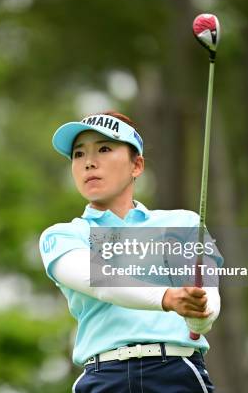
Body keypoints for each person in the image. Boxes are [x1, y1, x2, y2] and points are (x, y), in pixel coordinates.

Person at [39, 111, 222, 392]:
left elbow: (210, 300)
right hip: (102, 377)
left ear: (136, 165)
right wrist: (169, 298)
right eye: (78, 154)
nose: (89, 162)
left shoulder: (183, 223)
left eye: (104, 149)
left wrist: (199, 313)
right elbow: (102, 282)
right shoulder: (61, 235)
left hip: (176, 373)